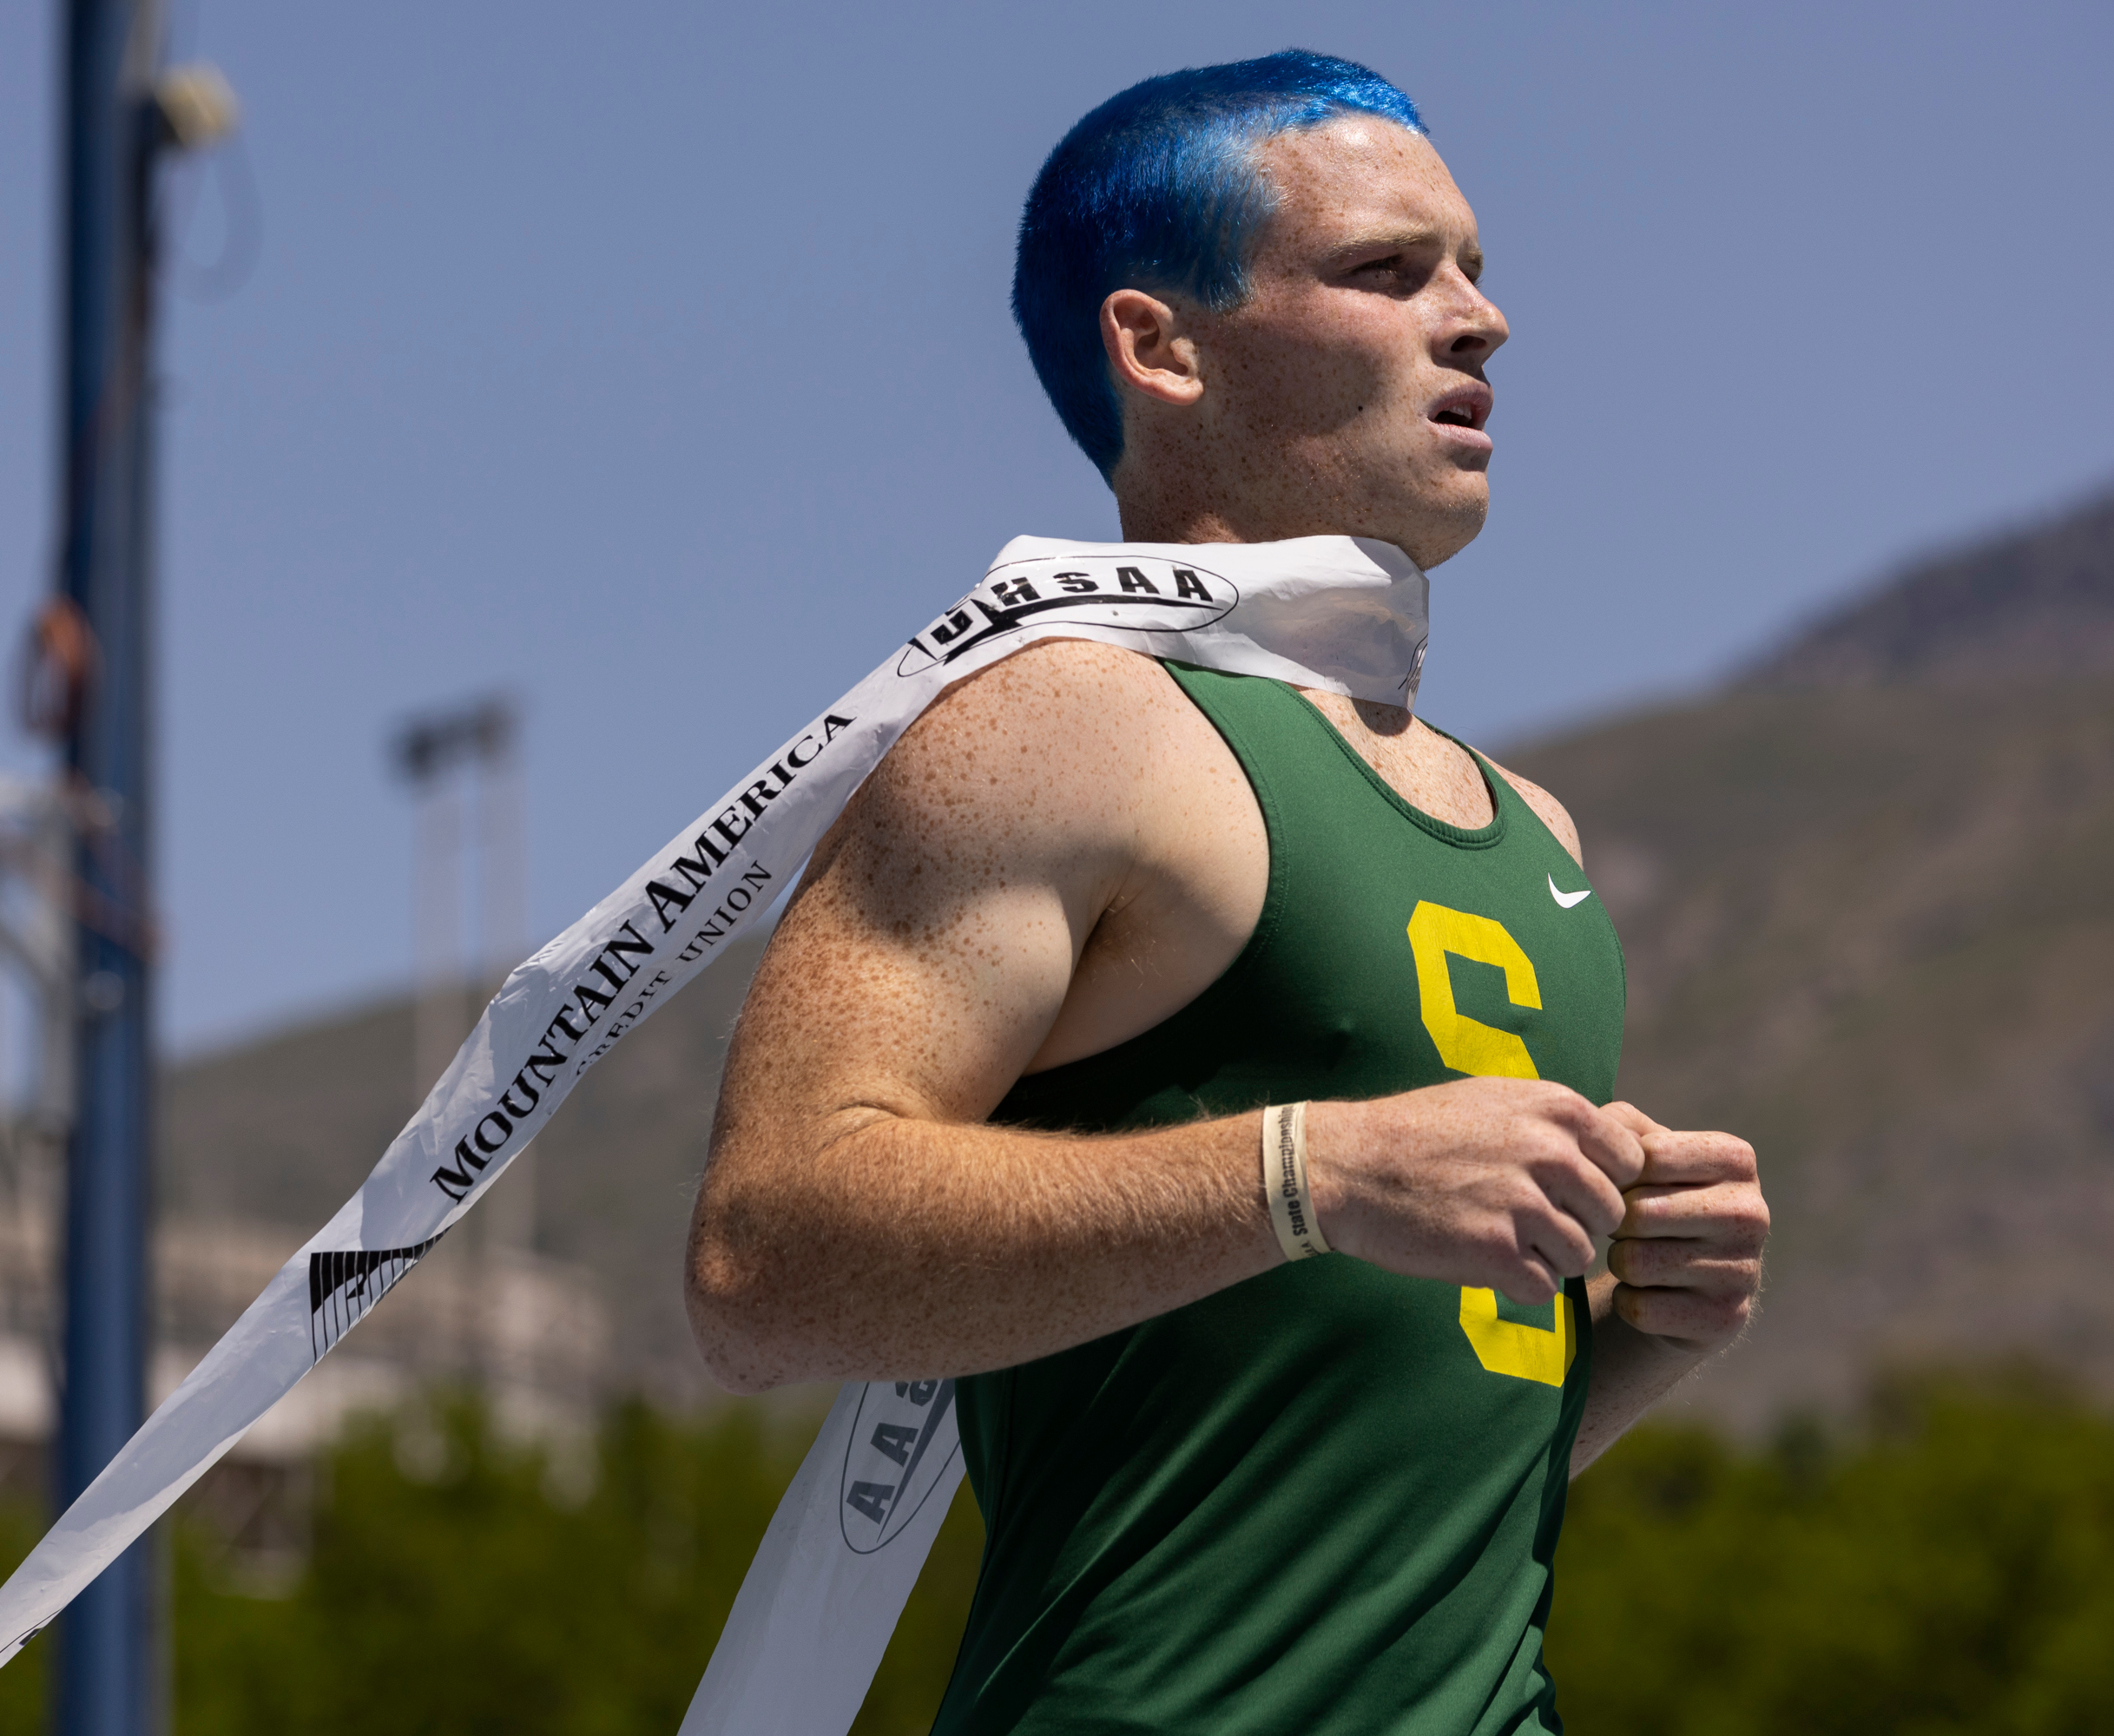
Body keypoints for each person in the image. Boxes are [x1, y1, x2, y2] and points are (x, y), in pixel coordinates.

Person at [683, 51, 1770, 1735]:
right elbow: (761, 1265)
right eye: (1386, 271)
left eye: (1472, 267)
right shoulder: (1068, 722)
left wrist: (1643, 1335)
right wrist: (1309, 1169)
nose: (1479, 321)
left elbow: (1336, 1473)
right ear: (1160, 346)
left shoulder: (1531, 828)